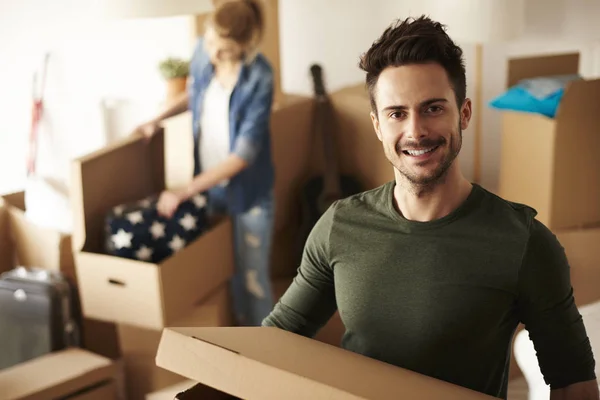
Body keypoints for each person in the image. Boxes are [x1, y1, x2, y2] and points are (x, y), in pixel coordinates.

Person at [262, 15, 599, 400]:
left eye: (433, 108)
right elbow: (276, 339)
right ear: (377, 125)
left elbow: (576, 385)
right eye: (397, 113)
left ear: (464, 113)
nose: (416, 131)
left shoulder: (523, 242)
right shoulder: (340, 225)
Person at [134, 0, 276, 327]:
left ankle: (267, 355)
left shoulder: (260, 76)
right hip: (211, 190)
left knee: (252, 281)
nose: (213, 55)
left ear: (246, 45)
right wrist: (156, 119)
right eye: (211, 43)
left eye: (224, 51)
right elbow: (195, 92)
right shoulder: (204, 49)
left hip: (248, 194)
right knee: (222, 274)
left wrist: (183, 192)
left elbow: (243, 156)